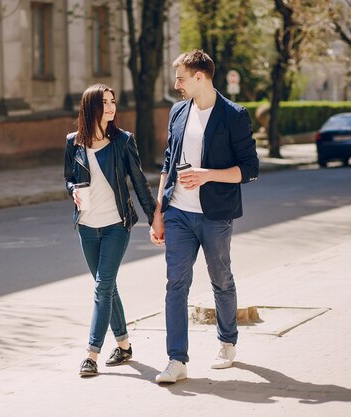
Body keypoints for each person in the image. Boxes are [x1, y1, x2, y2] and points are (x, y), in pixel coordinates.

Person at [150, 50, 259, 383]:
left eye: (181, 78)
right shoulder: (178, 111)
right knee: (175, 285)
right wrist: (158, 211)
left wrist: (206, 174)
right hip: (179, 212)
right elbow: (168, 163)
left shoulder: (233, 115)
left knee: (220, 280)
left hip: (215, 215)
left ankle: (227, 342)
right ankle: (176, 360)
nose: (176, 84)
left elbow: (250, 169)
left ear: (201, 76)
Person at [64, 83, 157, 377]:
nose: (111, 107)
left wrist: (155, 216)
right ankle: (125, 345)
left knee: (102, 287)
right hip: (87, 227)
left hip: (117, 225)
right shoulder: (73, 142)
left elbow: (140, 183)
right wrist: (73, 192)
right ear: (90, 106)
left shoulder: (123, 141)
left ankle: (91, 354)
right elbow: (68, 178)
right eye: (104, 102)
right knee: (108, 286)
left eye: (113, 101)